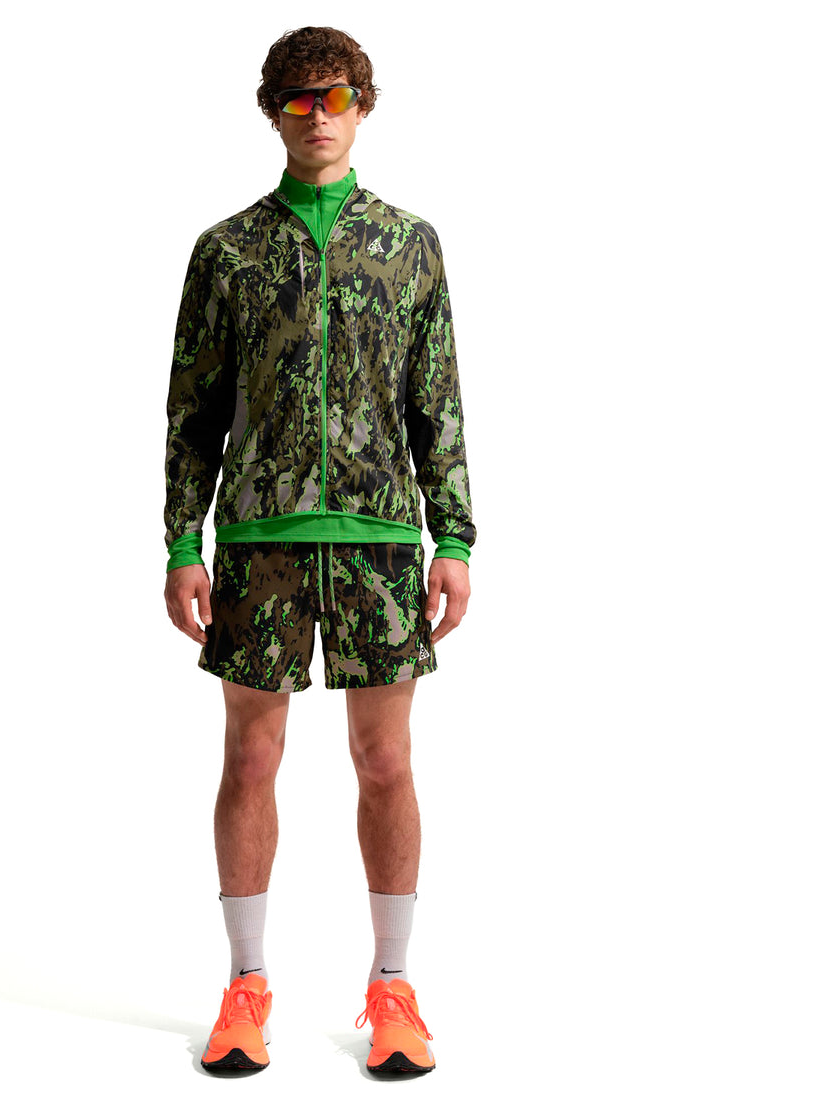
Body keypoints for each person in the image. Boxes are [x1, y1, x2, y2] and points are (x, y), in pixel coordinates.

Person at [161, 26, 476, 1075]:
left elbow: (437, 400)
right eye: (296, 100)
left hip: (382, 541)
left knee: (385, 761)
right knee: (251, 757)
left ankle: (394, 987)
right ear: (272, 112)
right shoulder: (228, 251)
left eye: (334, 97)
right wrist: (183, 539)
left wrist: (453, 532)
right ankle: (245, 984)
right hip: (260, 541)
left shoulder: (410, 244)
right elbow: (193, 410)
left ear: (363, 104)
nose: (317, 116)